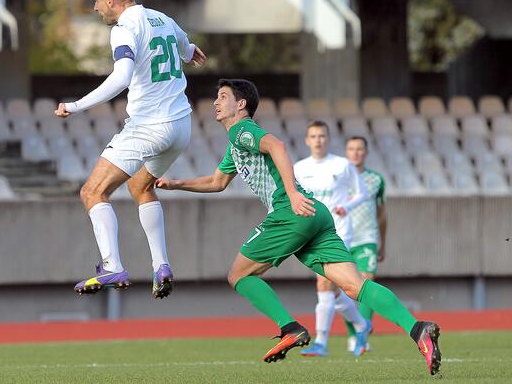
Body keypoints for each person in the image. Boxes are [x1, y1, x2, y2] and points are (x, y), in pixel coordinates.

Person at [155, 79, 441, 375]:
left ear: (241, 105)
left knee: (238, 275)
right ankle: (417, 328)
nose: (216, 102)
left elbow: (276, 145)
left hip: (290, 211)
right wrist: (176, 184)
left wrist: (291, 193)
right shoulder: (235, 145)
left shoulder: (243, 130)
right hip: (315, 213)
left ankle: (290, 328)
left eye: (223, 97)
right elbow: (216, 182)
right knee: (355, 286)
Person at [54, 0, 207, 299]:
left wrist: (76, 105)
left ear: (111, 0)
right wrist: (191, 50)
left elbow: (122, 76)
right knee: (140, 186)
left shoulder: (124, 28)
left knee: (92, 192)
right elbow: (184, 44)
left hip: (148, 127)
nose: (95, 9)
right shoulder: (162, 18)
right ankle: (161, 265)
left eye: (96, 2)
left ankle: (111, 266)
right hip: (181, 126)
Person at [292, 122, 370, 357]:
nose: (318, 140)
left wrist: (346, 206)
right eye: (313, 136)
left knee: (324, 284)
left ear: (328, 138)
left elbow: (362, 193)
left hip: (339, 232)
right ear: (307, 140)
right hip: (312, 234)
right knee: (334, 291)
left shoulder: (343, 165)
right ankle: (360, 324)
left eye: (322, 136)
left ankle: (321, 343)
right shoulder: (299, 168)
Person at [342, 136, 387, 352]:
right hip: (342, 238)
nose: (356, 152)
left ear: (366, 153)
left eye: (360, 149)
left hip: (367, 239)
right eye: (352, 148)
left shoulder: (376, 179)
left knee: (367, 283)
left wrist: (382, 242)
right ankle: (353, 333)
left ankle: (362, 335)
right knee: (347, 289)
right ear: (346, 152)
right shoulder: (339, 177)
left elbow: (381, 213)